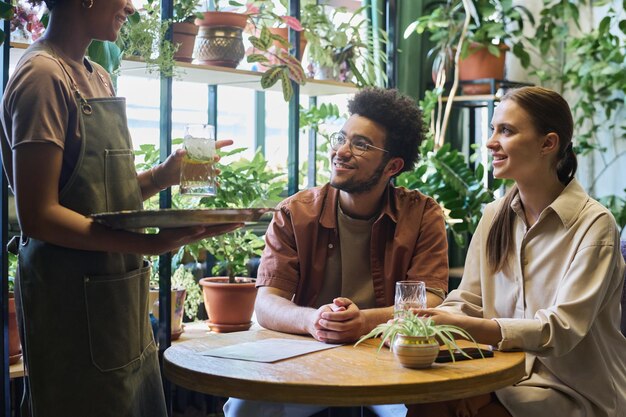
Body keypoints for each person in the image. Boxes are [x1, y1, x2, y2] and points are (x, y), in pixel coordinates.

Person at [0, 1, 241, 416]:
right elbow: (38, 215)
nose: (130, 6)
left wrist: (163, 175)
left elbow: (103, 197)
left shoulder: (97, 76)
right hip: (70, 308)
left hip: (120, 305)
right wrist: (144, 245)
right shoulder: (41, 76)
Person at [224, 87, 450, 417]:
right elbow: (267, 303)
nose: (341, 152)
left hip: (385, 358)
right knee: (245, 406)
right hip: (307, 354)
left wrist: (363, 323)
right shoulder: (294, 213)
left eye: (360, 145)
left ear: (392, 166)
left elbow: (430, 300)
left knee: (418, 411)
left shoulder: (421, 215)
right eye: (341, 138)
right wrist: (314, 320)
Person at [408, 86, 626, 417]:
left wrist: (468, 327)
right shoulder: (494, 215)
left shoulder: (594, 225)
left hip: (574, 391)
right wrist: (430, 323)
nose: (490, 142)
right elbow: (468, 300)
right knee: (428, 402)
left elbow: (560, 330)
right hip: (502, 375)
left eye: (506, 131)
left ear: (548, 143)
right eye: (493, 129)